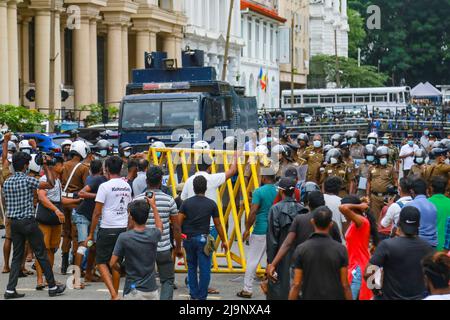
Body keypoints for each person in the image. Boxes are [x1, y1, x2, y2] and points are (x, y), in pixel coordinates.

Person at [3, 152, 66, 299]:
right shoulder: (28, 180)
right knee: (41, 253)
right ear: (26, 166)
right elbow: (50, 184)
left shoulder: (7, 182)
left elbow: (6, 201)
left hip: (14, 222)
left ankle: (10, 290)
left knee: (17, 256)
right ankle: (52, 286)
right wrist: (46, 165)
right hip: (28, 222)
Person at [266, 192, 342, 286]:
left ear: (308, 203)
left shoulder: (299, 219)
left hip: (301, 266)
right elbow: (338, 246)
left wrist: (273, 264)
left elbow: (287, 243)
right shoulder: (331, 223)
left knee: (297, 291)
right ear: (323, 203)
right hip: (323, 268)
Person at [86, 156, 133, 300]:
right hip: (123, 228)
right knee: (116, 262)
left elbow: (97, 212)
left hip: (107, 228)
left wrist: (91, 233)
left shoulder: (104, 186)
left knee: (101, 262)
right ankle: (115, 294)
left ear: (106, 169)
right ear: (120, 169)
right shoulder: (126, 186)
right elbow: (129, 209)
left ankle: (113, 294)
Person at [134, 166, 182, 300]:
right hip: (163, 248)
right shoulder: (169, 200)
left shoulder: (136, 200)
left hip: (142, 248)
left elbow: (130, 226)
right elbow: (176, 228)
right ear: (161, 181)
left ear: (146, 180)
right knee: (167, 281)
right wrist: (178, 248)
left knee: (143, 282)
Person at [365, 207, 434, 300]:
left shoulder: (387, 245)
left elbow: (367, 273)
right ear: (418, 225)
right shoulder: (428, 247)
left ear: (399, 223)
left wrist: (376, 291)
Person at [179, 175, 229, 300]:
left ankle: (193, 294)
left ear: (194, 188)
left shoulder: (186, 203)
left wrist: (179, 241)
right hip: (203, 239)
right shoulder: (211, 204)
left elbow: (178, 223)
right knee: (205, 268)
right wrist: (224, 241)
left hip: (189, 239)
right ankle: (202, 296)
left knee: (191, 267)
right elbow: (218, 224)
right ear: (206, 188)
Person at [288, 206, 352, 300]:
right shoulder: (341, 249)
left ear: (312, 222)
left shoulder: (301, 249)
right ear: (331, 224)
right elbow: (345, 285)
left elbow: (296, 284)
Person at [35, 156, 79, 290]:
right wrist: (56, 210)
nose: (64, 167)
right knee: (42, 249)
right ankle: (40, 279)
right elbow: (42, 198)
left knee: (52, 249)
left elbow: (60, 200)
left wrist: (76, 201)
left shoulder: (58, 181)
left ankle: (49, 279)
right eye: (61, 165)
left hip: (55, 219)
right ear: (54, 166)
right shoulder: (44, 180)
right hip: (46, 218)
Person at [110, 197, 162, 300]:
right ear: (147, 217)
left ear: (131, 217)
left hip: (133, 290)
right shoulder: (153, 234)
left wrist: (121, 269)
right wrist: (154, 206)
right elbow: (159, 226)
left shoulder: (124, 237)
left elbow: (112, 263)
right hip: (151, 290)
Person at [265, 178, 308, 300]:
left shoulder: (275, 209)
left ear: (280, 191)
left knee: (278, 289)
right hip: (299, 255)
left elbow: (272, 240)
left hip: (280, 255)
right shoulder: (303, 209)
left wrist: (271, 262)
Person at [237, 172, 278, 298]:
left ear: (264, 178)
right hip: (275, 229)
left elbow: (253, 211)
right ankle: (276, 287)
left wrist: (247, 229)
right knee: (274, 260)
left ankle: (247, 289)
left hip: (260, 229)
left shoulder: (258, 192)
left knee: (253, 260)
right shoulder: (278, 190)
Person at [73, 159, 107, 283]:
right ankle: (76, 278)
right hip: (83, 215)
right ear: (102, 169)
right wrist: (99, 196)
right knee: (83, 245)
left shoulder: (92, 178)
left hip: (92, 216)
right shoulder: (98, 179)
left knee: (93, 246)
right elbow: (82, 193)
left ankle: (88, 274)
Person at [339, 196, 379, 300]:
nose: (344, 215)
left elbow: (343, 207)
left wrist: (360, 205)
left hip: (358, 268)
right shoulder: (356, 222)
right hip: (356, 265)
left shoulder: (361, 221)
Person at [60, 140, 90, 274]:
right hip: (76, 202)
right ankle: (75, 266)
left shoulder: (63, 165)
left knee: (66, 234)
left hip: (63, 201)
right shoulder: (83, 168)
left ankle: (63, 265)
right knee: (76, 235)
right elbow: (85, 187)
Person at [405, 177, 438, 248]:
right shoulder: (433, 205)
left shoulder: (409, 205)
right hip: (432, 245)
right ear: (426, 190)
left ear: (412, 191)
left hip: (415, 245)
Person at [367, 146, 398, 220]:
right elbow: (368, 182)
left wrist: (393, 196)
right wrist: (367, 195)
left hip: (387, 197)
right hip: (374, 197)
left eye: (385, 157)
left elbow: (395, 182)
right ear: (377, 158)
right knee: (375, 218)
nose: (384, 159)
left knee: (387, 218)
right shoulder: (371, 168)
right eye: (382, 157)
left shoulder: (391, 168)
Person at [428, 176, 450, 251]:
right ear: (446, 188)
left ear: (431, 188)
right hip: (447, 248)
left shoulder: (426, 203)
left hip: (430, 247)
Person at [323, 176, 347, 241]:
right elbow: (344, 225)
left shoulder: (319, 198)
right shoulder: (342, 202)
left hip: (320, 237)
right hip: (337, 239)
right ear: (338, 189)